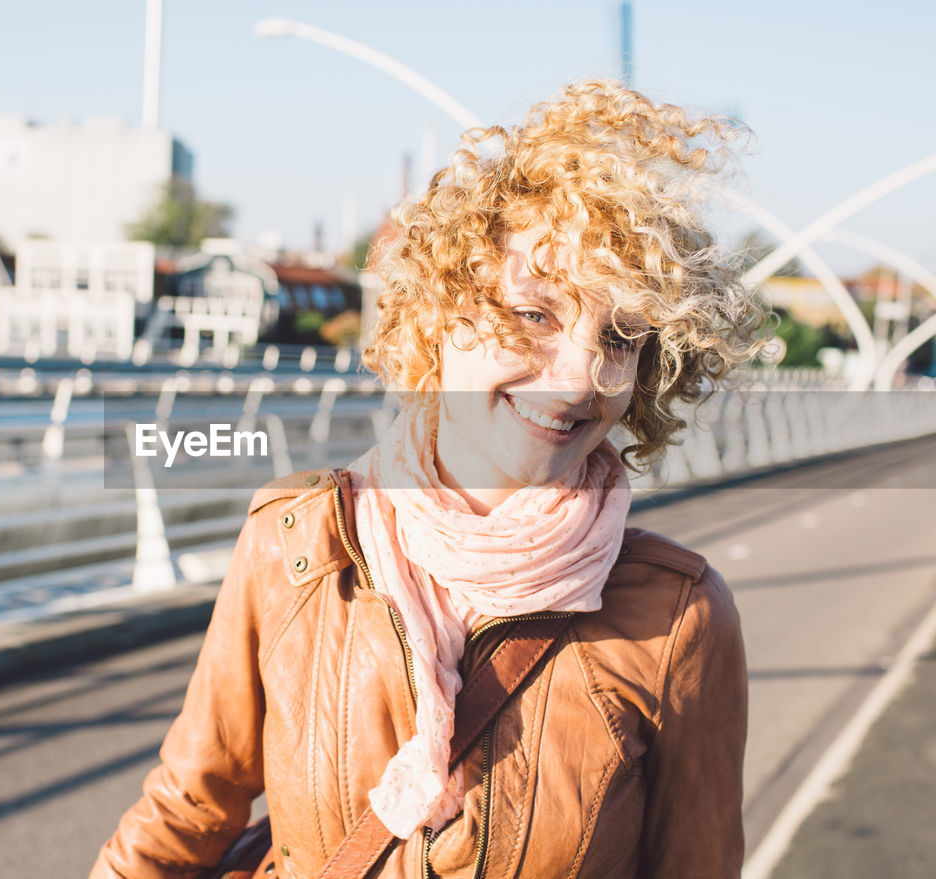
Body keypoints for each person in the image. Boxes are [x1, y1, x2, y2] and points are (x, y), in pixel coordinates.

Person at [91, 79, 767, 879]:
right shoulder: (297, 543)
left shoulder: (677, 617)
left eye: (619, 337)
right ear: (443, 312)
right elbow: (187, 808)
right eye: (537, 315)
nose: (582, 377)